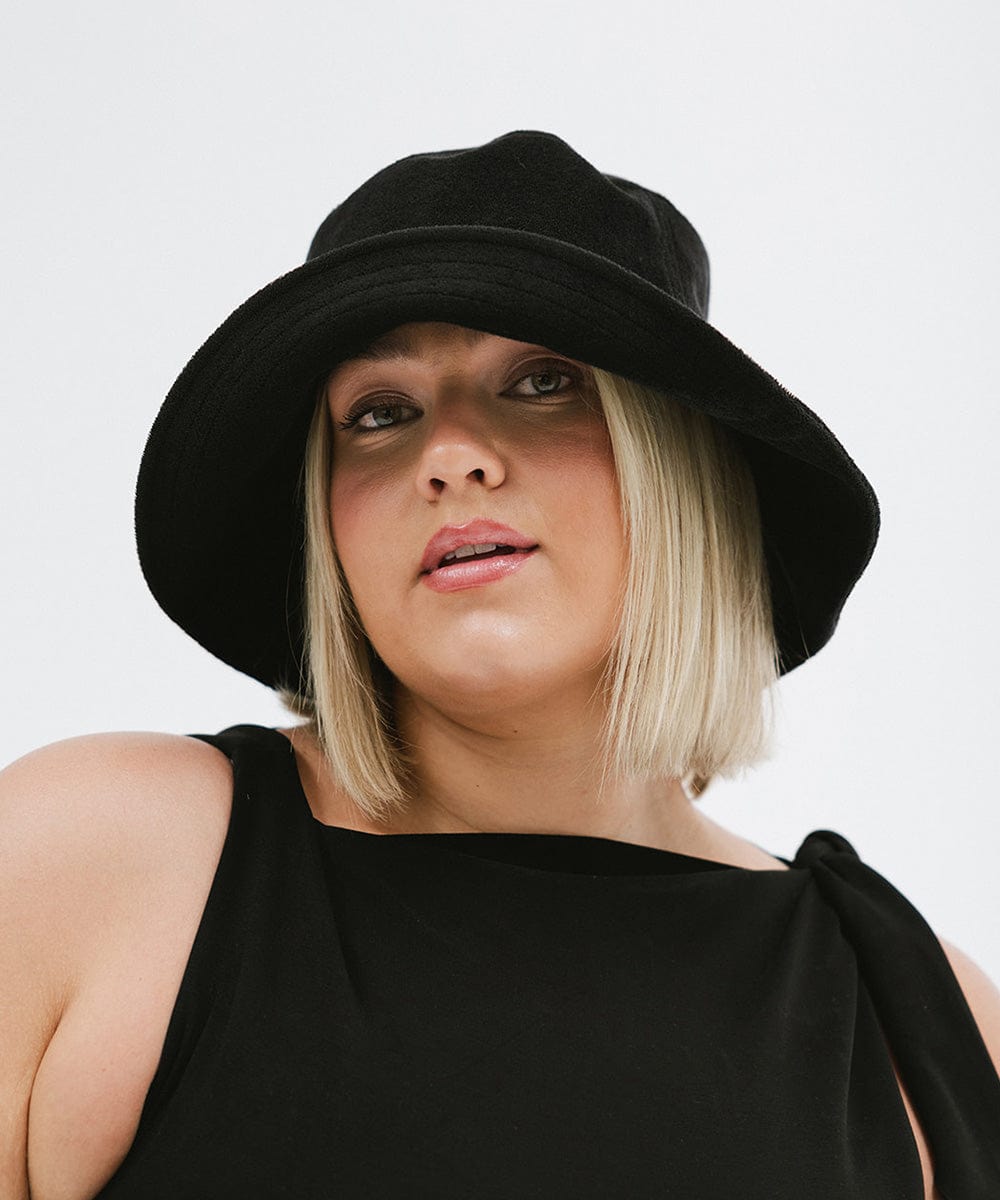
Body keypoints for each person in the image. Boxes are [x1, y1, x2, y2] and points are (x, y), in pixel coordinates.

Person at [2, 131, 998, 1200]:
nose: (448, 456)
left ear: (686, 467)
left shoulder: (921, 1016)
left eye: (542, 381)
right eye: (379, 413)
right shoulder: (100, 862)